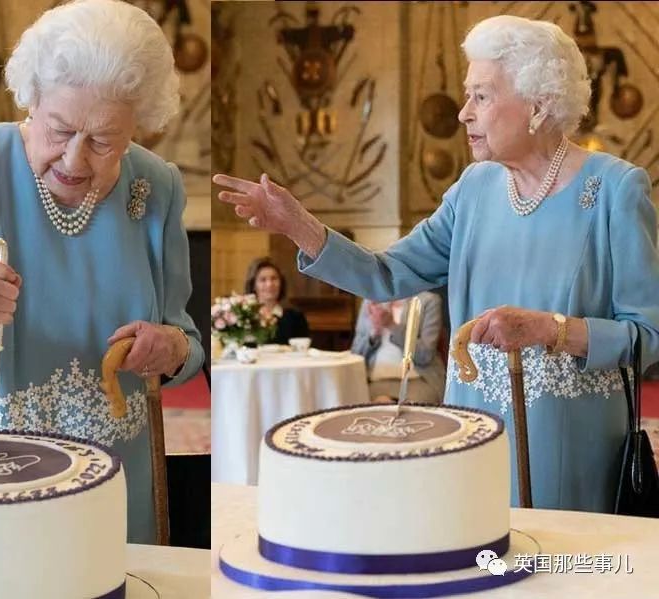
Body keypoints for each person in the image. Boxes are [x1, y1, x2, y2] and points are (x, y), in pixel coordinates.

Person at [214, 15, 659, 513]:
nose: (464, 113)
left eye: (482, 97)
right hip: (472, 430)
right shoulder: (472, 190)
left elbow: (650, 335)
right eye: (467, 95)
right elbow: (385, 275)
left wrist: (551, 330)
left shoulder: (616, 189)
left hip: (571, 445)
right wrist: (299, 225)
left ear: (539, 104)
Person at [0, 0, 204, 544]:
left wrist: (171, 347)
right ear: (31, 100)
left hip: (112, 479)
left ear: (138, 127)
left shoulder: (159, 186)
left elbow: (189, 339)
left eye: (104, 141)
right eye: (59, 129)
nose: (76, 160)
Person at [352, 292, 445, 405]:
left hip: (418, 379)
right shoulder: (371, 300)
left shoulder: (428, 300)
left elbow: (425, 356)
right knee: (368, 407)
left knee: (411, 413)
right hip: (376, 379)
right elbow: (356, 353)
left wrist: (391, 325)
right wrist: (374, 333)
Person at [243, 256, 309, 345]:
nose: (269, 284)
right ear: (253, 285)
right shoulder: (244, 316)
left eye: (274, 278)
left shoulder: (295, 317)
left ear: (281, 283)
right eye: (263, 280)